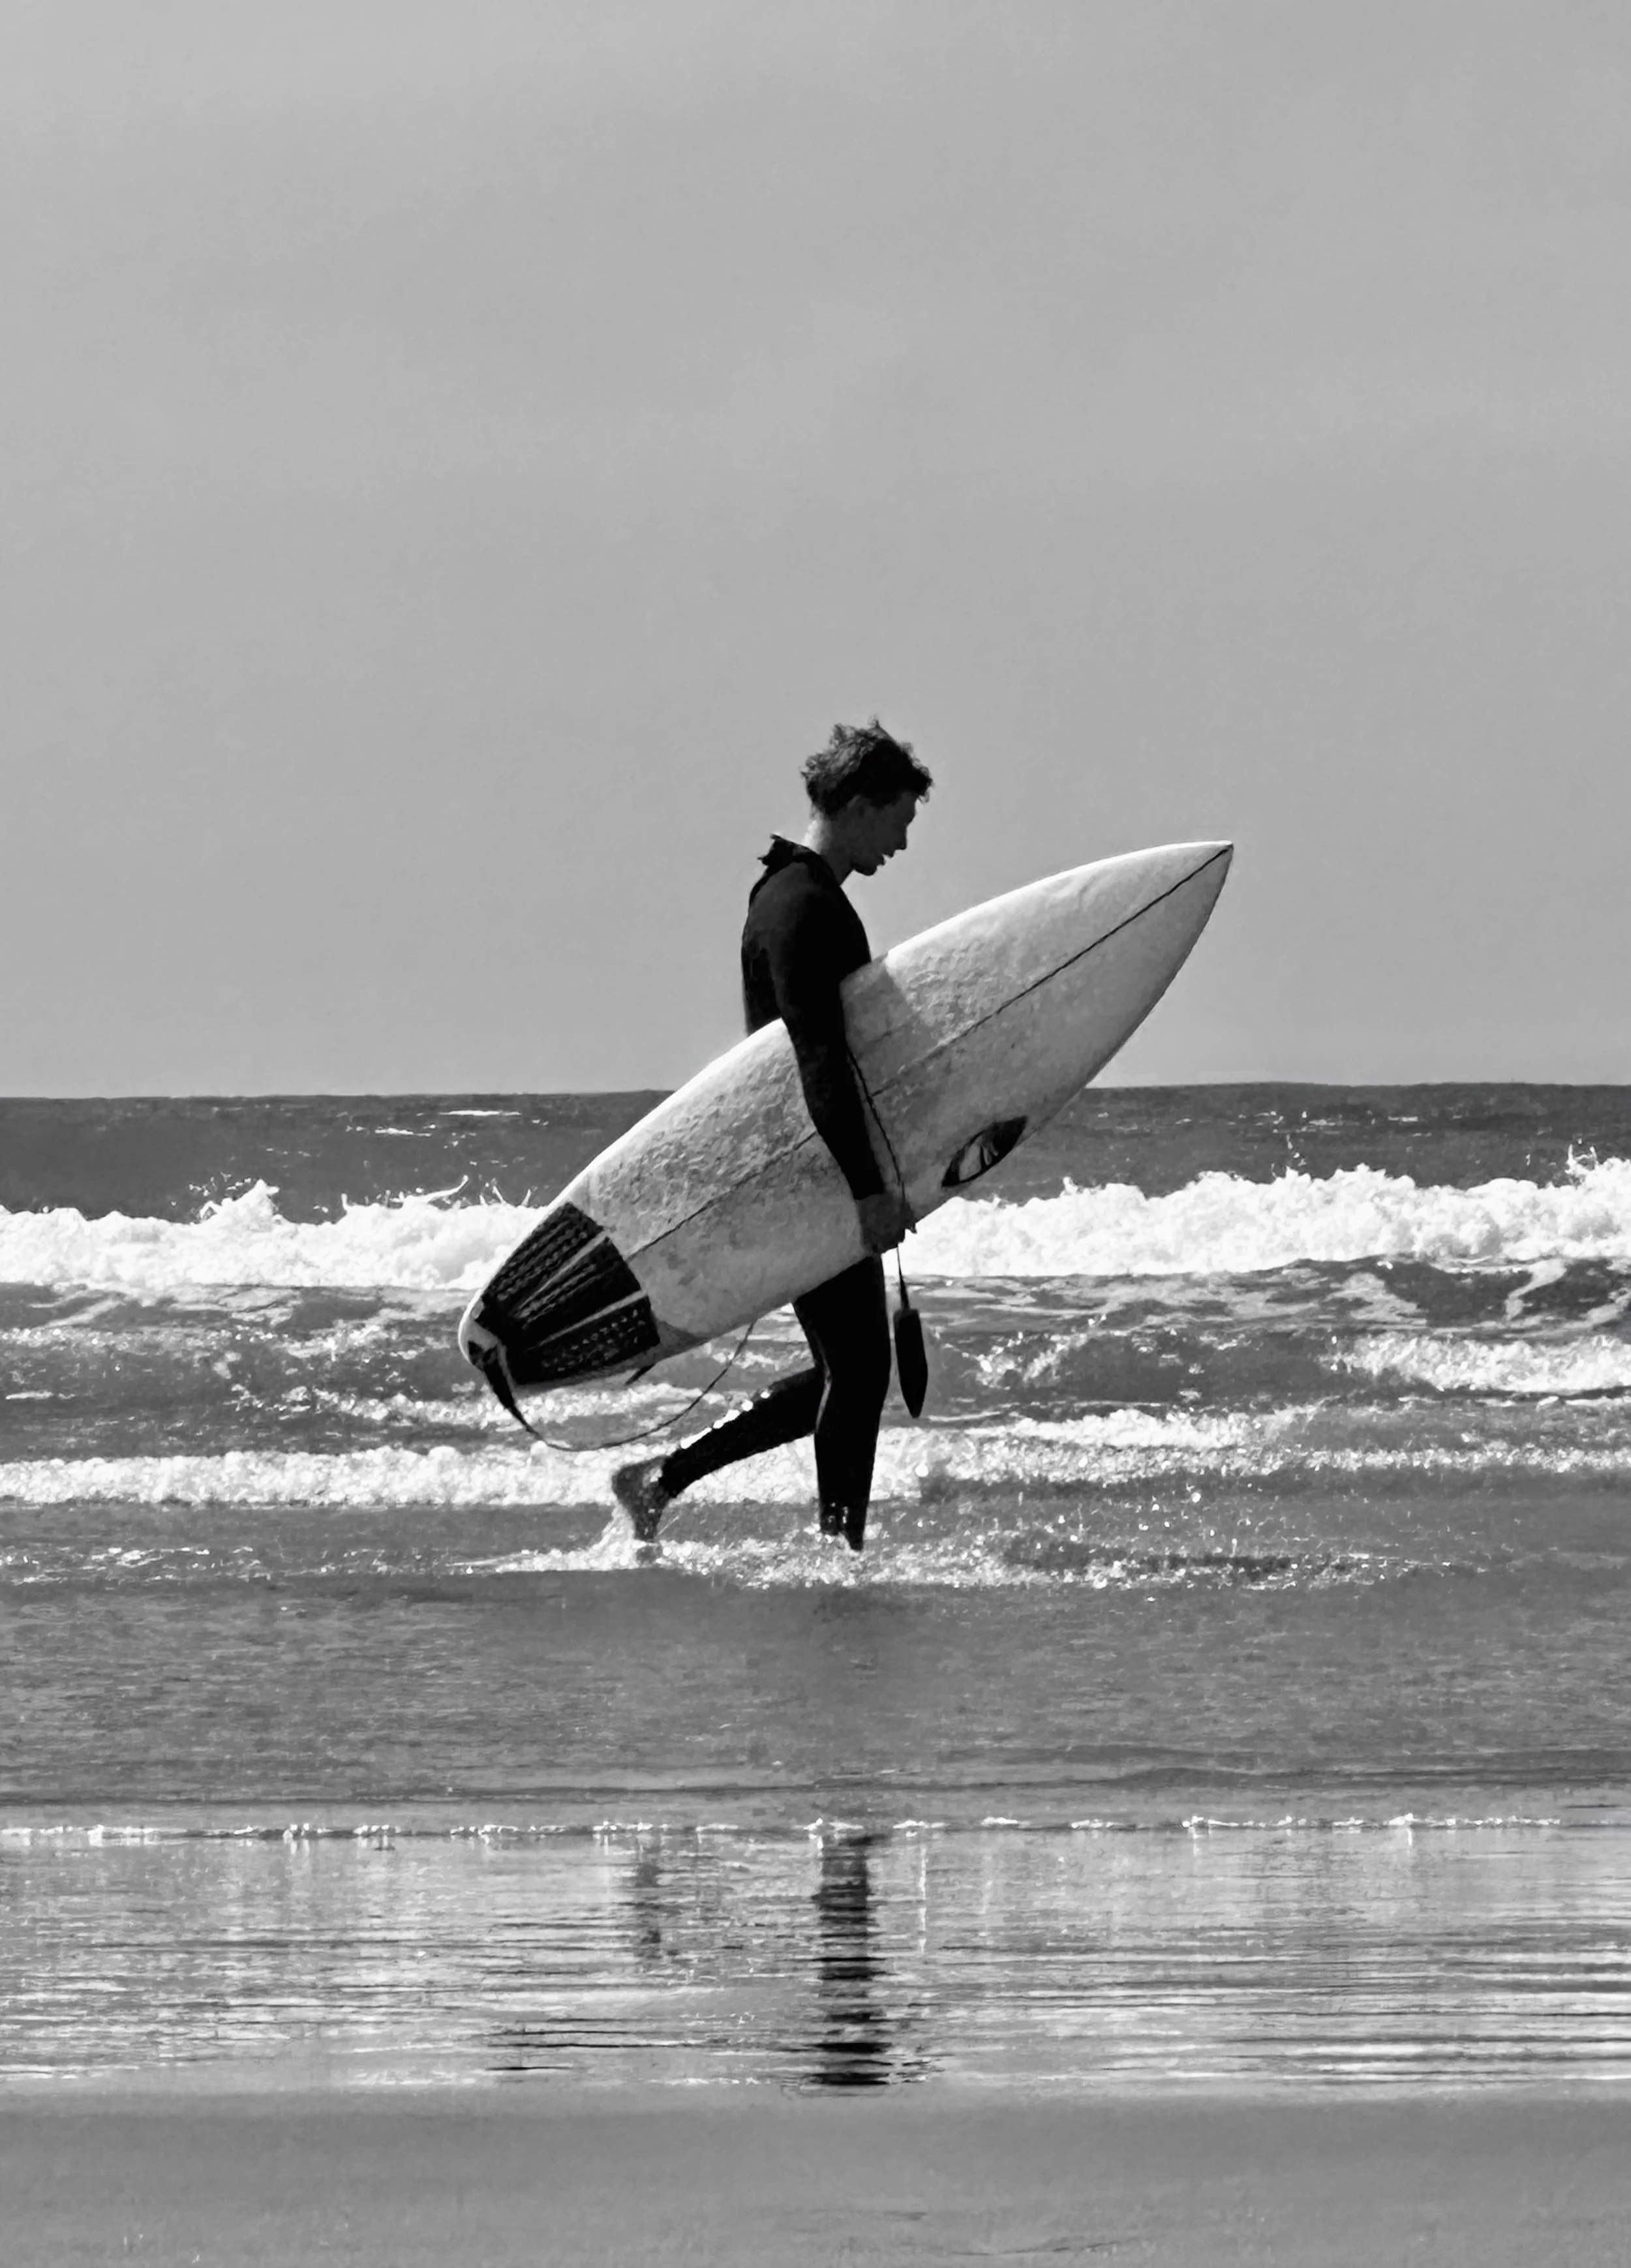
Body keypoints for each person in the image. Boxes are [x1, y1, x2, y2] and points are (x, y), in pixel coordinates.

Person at [613, 719, 932, 1552]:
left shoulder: (799, 896)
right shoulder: (802, 907)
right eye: (898, 818)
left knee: (849, 1370)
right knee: (858, 1372)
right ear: (861, 804)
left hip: (811, 1162)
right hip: (810, 1170)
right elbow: (817, 1055)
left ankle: (661, 1480)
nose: (902, 841)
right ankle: (839, 1553)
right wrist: (864, 1189)